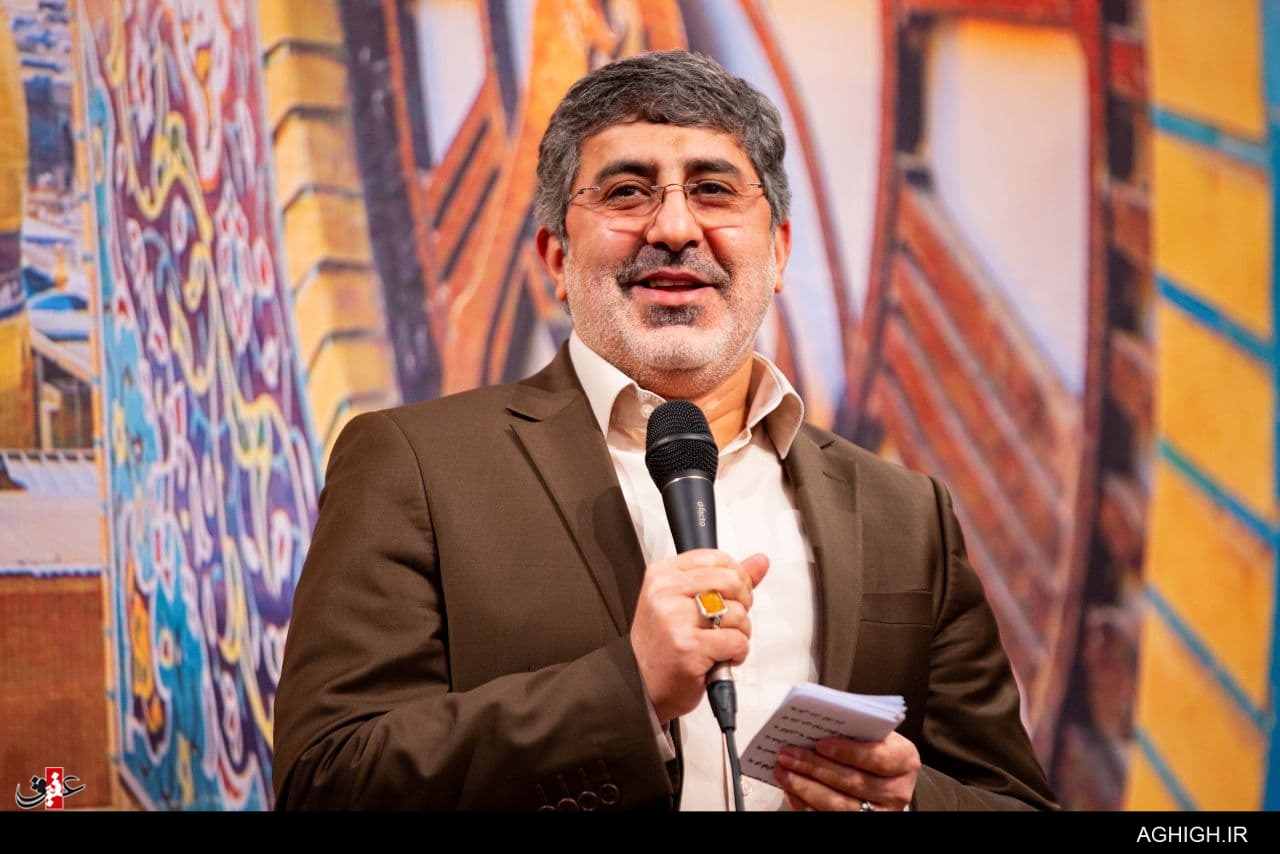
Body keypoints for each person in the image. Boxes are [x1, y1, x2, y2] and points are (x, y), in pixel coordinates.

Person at [272, 50, 1057, 812]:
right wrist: (629, 689)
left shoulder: (905, 513)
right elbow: (325, 780)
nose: (676, 227)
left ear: (778, 252)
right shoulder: (417, 466)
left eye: (714, 190)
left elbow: (1012, 799)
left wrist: (902, 801)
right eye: (626, 192)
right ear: (556, 257)